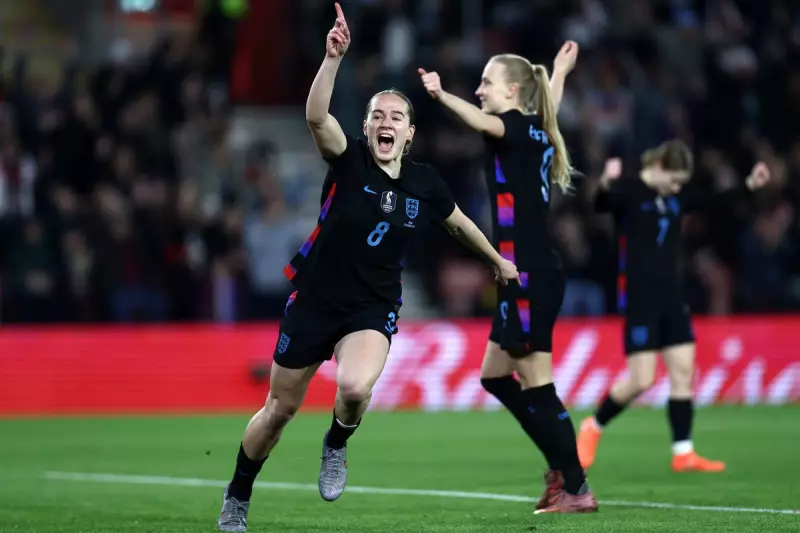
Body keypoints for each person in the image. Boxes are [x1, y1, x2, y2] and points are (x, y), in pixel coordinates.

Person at [217, 4, 520, 531]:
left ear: (409, 135)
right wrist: (333, 59)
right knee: (278, 412)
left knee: (355, 389)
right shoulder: (349, 158)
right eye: (377, 115)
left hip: (370, 306)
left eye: (396, 117)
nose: (385, 122)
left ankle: (337, 442)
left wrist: (496, 260)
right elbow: (316, 117)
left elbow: (459, 224)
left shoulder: (425, 184)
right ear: (366, 127)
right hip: (314, 300)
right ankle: (238, 492)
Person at [418, 42, 599, 514]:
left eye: (486, 84)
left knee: (538, 384)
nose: (479, 91)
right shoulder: (537, 127)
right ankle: (562, 468)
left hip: (527, 275)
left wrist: (441, 95)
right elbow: (549, 103)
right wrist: (559, 70)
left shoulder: (512, 127)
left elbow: (481, 122)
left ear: (512, 90)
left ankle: (575, 487)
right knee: (495, 376)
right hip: (523, 273)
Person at [576, 141, 771, 473]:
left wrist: (750, 184)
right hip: (639, 298)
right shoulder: (631, 191)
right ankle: (593, 426)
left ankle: (683, 452)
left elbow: (716, 201)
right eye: (675, 180)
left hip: (672, 297)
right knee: (642, 380)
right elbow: (600, 205)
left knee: (683, 373)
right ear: (661, 168)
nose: (678, 188)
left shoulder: (676, 196)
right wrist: (606, 181)